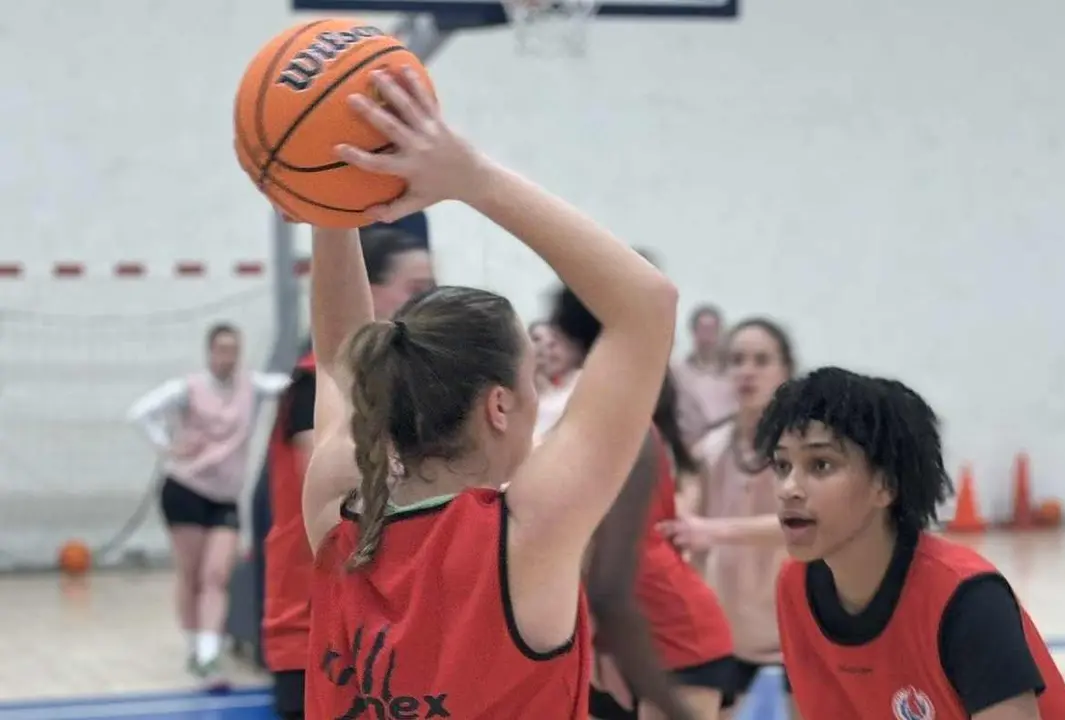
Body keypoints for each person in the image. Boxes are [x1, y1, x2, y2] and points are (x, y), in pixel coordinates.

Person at [299, 65, 678, 718]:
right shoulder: (525, 538)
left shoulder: (337, 516)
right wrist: (471, 178)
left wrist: (325, 197)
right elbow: (647, 302)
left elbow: (339, 358)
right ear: (499, 405)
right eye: (532, 376)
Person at [759, 367, 1065, 719]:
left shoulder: (969, 600)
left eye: (820, 465)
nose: (788, 487)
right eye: (782, 465)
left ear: (886, 485)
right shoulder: (794, 587)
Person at [261, 228, 435, 720]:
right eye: (415, 287)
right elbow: (350, 496)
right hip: (316, 619)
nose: (426, 300)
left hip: (384, 619)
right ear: (366, 289)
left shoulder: (396, 386)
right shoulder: (317, 384)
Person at [547, 287, 735, 720]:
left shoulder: (623, 425)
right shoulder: (589, 415)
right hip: (616, 634)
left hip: (670, 631)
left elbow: (608, 582)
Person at [126, 323, 289, 681]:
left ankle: (209, 651)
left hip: (225, 497)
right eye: (221, 349)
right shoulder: (189, 388)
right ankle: (192, 642)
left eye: (234, 349)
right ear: (210, 352)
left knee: (217, 574)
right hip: (185, 489)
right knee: (193, 574)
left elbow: (288, 385)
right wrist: (166, 446)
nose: (227, 357)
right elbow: (140, 412)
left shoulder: (252, 386)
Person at [661, 318, 799, 718]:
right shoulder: (710, 447)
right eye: (737, 360)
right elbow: (682, 515)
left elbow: (803, 522)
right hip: (725, 634)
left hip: (788, 635)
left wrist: (714, 531)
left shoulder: (803, 449)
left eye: (761, 360)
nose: (747, 371)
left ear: (785, 370)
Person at [671, 305, 736, 446]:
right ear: (693, 332)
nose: (707, 336)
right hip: (688, 444)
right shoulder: (678, 372)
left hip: (726, 445)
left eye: (712, 330)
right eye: (703, 330)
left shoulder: (734, 373)